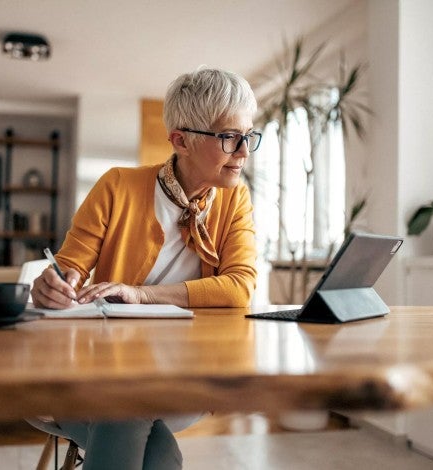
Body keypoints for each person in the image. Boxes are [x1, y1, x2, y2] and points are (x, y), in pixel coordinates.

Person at [30, 67, 260, 470]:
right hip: (97, 370)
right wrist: (52, 285)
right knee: (157, 449)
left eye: (248, 136)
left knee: (133, 414)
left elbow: (239, 287)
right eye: (229, 137)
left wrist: (143, 294)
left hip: (184, 375)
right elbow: (68, 269)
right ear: (180, 140)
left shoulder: (234, 200)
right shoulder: (117, 186)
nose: (243, 151)